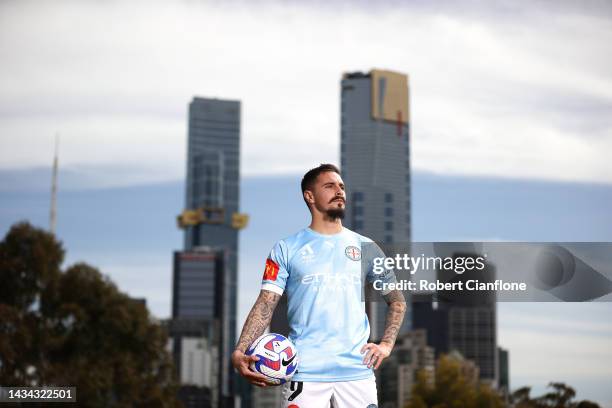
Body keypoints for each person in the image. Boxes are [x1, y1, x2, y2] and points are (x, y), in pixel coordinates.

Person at [231, 163, 406, 407]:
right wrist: (241, 349)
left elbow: (397, 301)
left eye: (342, 186)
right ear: (309, 196)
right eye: (330, 186)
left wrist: (386, 345)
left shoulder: (367, 248)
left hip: (357, 374)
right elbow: (265, 304)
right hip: (304, 373)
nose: (339, 191)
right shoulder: (286, 248)